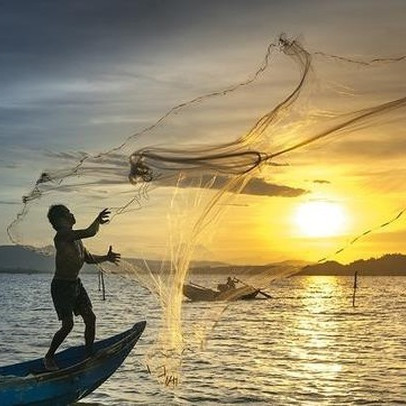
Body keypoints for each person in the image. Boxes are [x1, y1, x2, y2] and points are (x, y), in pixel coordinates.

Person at [43, 205, 120, 371]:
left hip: (75, 284)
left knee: (90, 318)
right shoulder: (62, 236)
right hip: (62, 286)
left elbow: (89, 259)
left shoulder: (77, 239)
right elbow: (90, 232)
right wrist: (98, 221)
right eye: (68, 213)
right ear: (61, 220)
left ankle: (88, 354)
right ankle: (49, 357)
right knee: (68, 325)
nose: (72, 214)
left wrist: (106, 257)